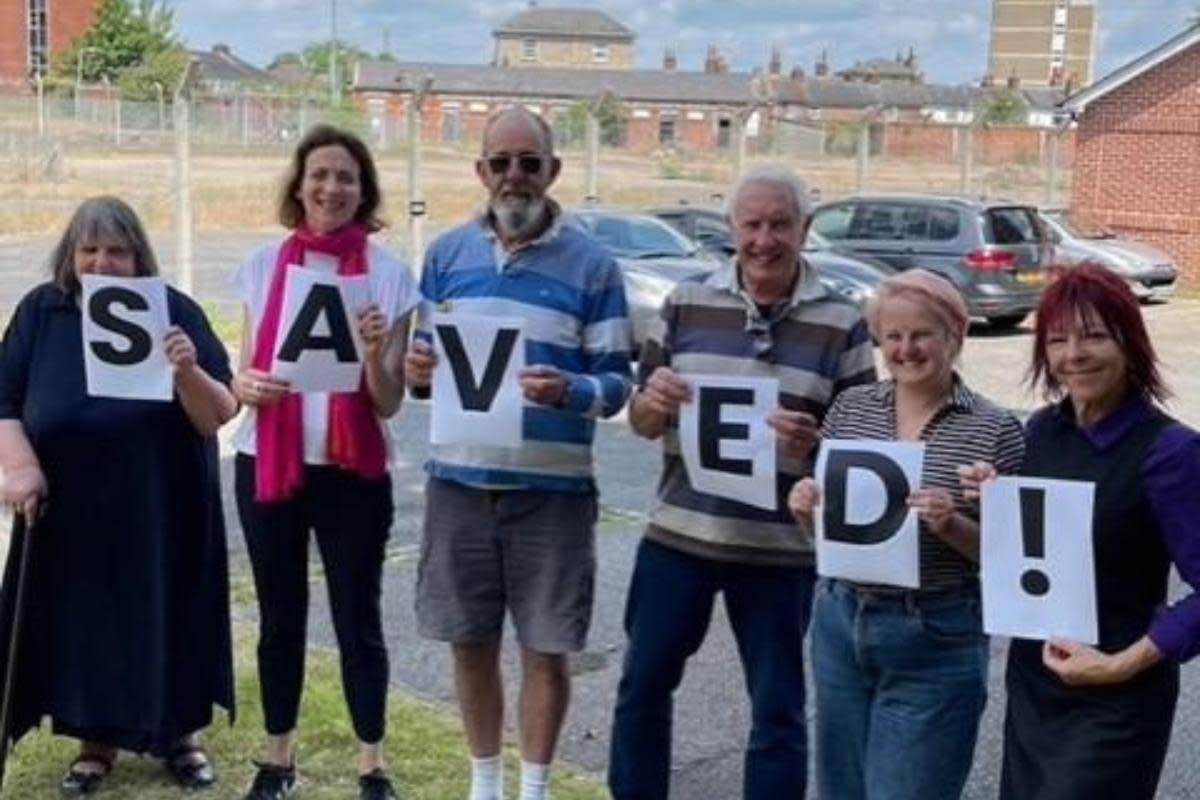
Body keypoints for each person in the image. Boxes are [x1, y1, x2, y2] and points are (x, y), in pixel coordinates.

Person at [607, 165, 876, 800]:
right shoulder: (685, 302)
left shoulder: (843, 321)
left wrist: (815, 448)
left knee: (778, 711)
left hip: (781, 551)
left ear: (805, 230)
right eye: (751, 224)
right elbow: (642, 423)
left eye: (780, 224)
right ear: (730, 229)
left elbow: (864, 448)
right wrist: (655, 400)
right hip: (680, 535)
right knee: (642, 688)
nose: (764, 239)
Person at [404, 106, 632, 800]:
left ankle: (533, 787)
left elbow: (619, 383)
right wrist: (417, 373)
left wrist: (572, 389)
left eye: (528, 162)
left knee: (546, 644)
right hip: (459, 484)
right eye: (500, 162)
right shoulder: (446, 256)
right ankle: (484, 783)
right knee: (468, 639)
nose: (514, 176)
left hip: (552, 493)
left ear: (553, 170)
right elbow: (424, 361)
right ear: (480, 171)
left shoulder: (594, 265)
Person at [0, 196, 237, 794]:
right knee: (87, 623)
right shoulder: (41, 312)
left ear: (139, 257)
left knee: (168, 610)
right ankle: (94, 743)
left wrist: (186, 370)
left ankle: (179, 738)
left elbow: (219, 414)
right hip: (72, 507)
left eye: (117, 250)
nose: (102, 263)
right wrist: (21, 466)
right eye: (90, 250)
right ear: (71, 256)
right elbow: (3, 403)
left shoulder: (174, 311)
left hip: (164, 503)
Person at [962, 264, 1200, 799]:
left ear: (1130, 343)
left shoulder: (1171, 452)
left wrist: (1120, 665)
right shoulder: (1042, 430)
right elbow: (1042, 553)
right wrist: (998, 501)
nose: (1074, 355)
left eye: (1095, 336)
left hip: (1118, 699)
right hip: (1035, 686)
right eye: (1058, 340)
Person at [231, 125, 419, 800]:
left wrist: (375, 353)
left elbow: (391, 401)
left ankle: (372, 763)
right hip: (268, 463)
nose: (331, 188)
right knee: (281, 618)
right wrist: (244, 387)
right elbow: (243, 375)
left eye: (346, 177)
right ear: (299, 184)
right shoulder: (261, 266)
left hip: (352, 473)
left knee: (356, 620)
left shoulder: (391, 276)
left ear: (363, 190)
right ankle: (278, 758)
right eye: (320, 174)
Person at [787, 269, 1025, 800]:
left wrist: (952, 523)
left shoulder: (994, 429)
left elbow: (1012, 558)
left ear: (955, 338)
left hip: (935, 631)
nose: (906, 348)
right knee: (840, 789)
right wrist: (806, 510)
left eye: (922, 334)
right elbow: (834, 531)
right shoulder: (850, 410)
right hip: (841, 620)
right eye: (893, 336)